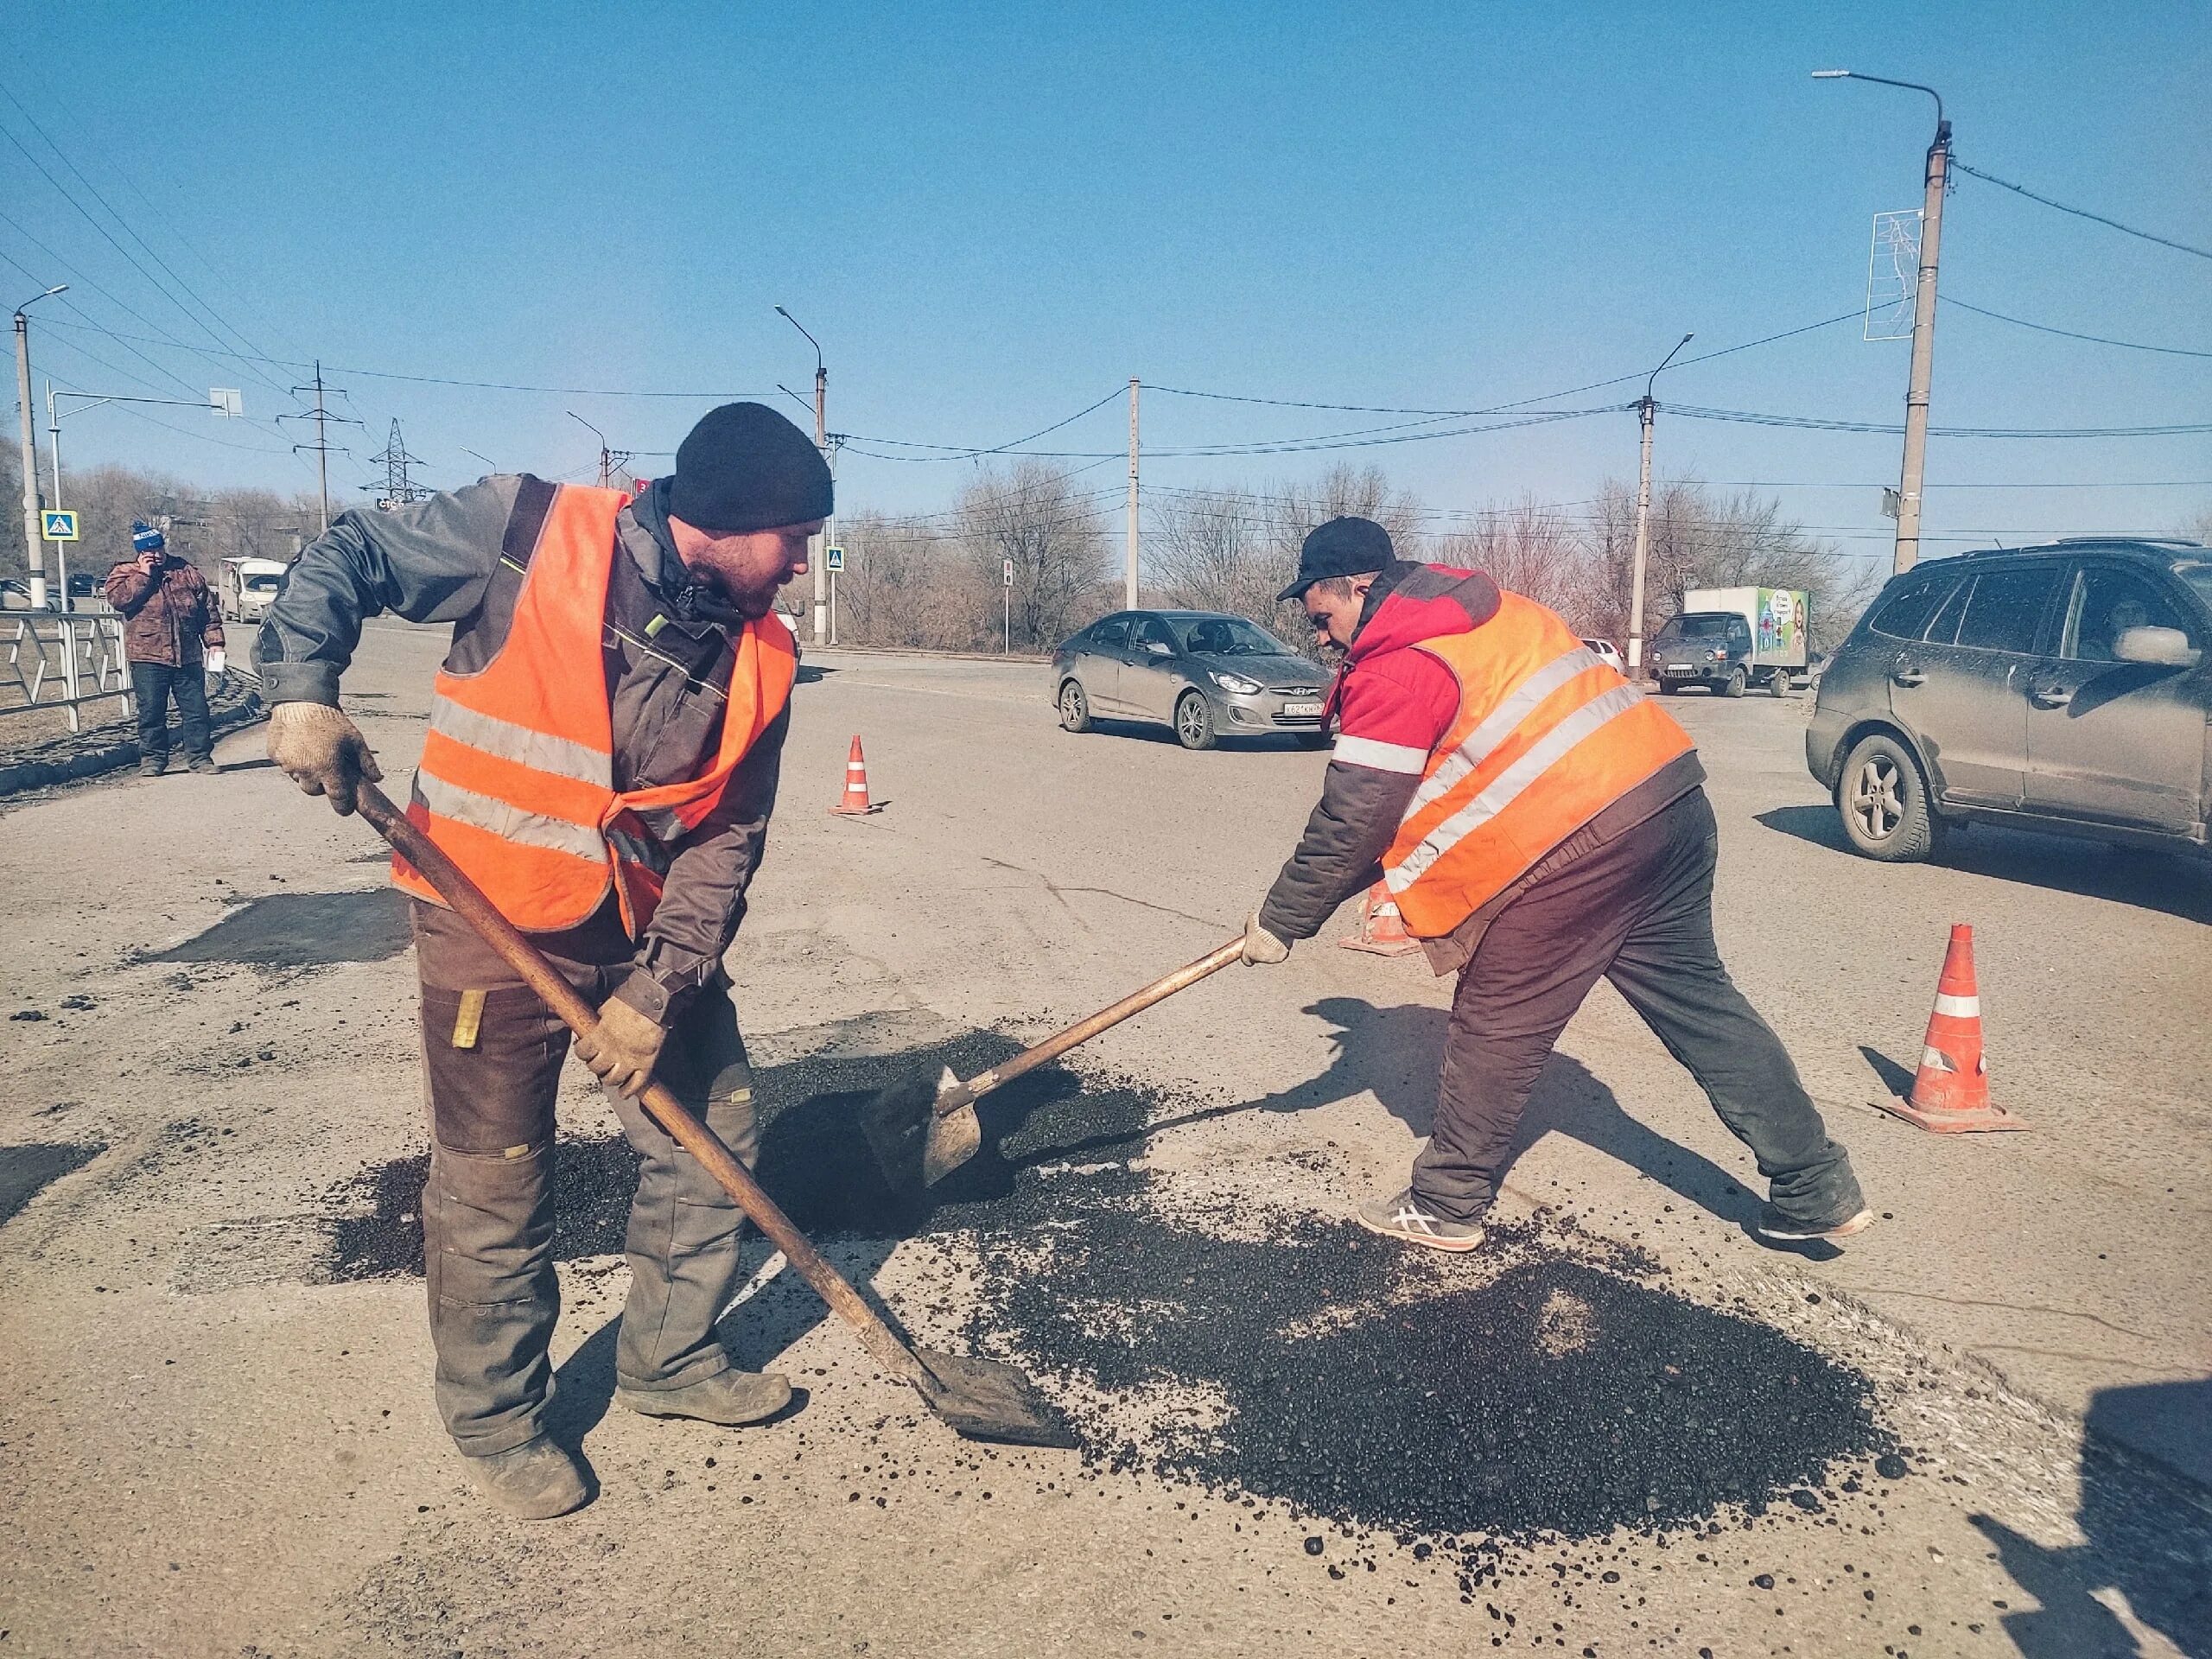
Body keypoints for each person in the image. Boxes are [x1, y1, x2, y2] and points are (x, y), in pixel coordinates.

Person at [257, 403, 828, 1519]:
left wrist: (658, 996)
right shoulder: (524, 529)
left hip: (639, 932)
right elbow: (354, 550)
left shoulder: (763, 658)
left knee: (710, 1133)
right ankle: (498, 1419)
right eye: (795, 538)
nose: (803, 565)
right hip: (487, 919)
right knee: (497, 1178)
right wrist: (298, 689)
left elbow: (725, 844)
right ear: (727, 519)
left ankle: (668, 1363)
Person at [1239, 518, 1869, 1254]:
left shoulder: (1401, 662)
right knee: (1703, 1004)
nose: (1320, 636)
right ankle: (1814, 1185)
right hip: (1668, 806)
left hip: (1576, 845)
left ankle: (1446, 1200)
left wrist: (1283, 919)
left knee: (1495, 1021)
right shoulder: (1494, 608)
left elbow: (1356, 818)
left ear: (1360, 587)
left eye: (1323, 616)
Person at [104, 520, 226, 776]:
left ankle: (200, 758)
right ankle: (153, 760)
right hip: (147, 656)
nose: (156, 555)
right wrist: (143, 575)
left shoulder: (185, 571)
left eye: (158, 549)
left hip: (188, 655)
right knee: (151, 712)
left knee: (197, 711)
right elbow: (120, 601)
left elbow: (207, 610)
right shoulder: (124, 573)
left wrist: (215, 643)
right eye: (150, 551)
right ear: (140, 552)